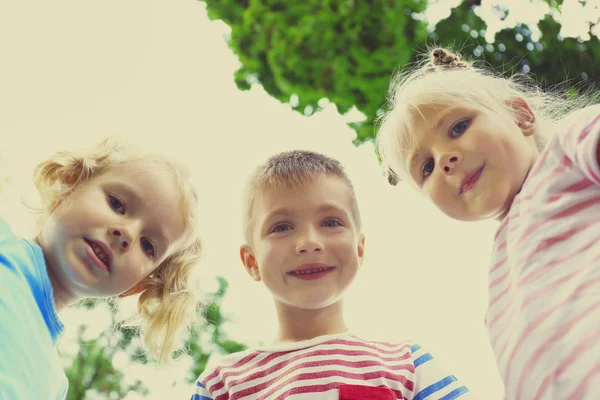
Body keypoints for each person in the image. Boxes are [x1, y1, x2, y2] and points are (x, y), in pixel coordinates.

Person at [376, 47, 600, 399]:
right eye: (427, 168)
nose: (444, 160)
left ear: (520, 115)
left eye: (458, 126)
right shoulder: (498, 284)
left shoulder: (569, 149)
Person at [191, 150, 471, 399]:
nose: (309, 242)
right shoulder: (221, 384)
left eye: (330, 222)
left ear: (359, 250)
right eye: (282, 227)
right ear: (251, 261)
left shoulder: (408, 365)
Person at [0, 137, 203, 399]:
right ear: (68, 184)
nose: (127, 233)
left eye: (148, 245)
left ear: (137, 286)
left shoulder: (53, 385)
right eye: (117, 204)